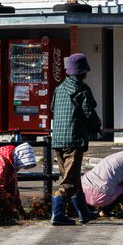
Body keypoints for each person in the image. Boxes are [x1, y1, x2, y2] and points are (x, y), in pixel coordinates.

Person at [49, 52, 101, 226]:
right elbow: (89, 113)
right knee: (69, 181)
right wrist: (97, 122)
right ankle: (57, 215)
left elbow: (52, 108)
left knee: (71, 177)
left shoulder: (59, 88)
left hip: (57, 139)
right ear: (82, 71)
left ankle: (84, 213)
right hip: (74, 140)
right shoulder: (82, 89)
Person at [82, 140, 123, 216]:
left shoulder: (117, 156)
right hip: (100, 197)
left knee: (110, 183)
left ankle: (90, 210)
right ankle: (106, 210)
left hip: (84, 191)